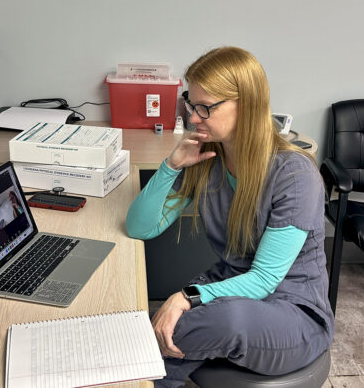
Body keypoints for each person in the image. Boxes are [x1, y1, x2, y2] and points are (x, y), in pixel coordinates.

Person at [126, 47, 333, 387]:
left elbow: (265, 279)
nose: (194, 117)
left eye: (205, 107)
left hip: (293, 314)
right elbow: (141, 227)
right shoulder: (208, 157)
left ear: (247, 104)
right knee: (159, 335)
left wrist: (188, 296)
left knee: (202, 322)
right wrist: (171, 166)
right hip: (228, 291)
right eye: (191, 104)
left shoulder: (295, 176)